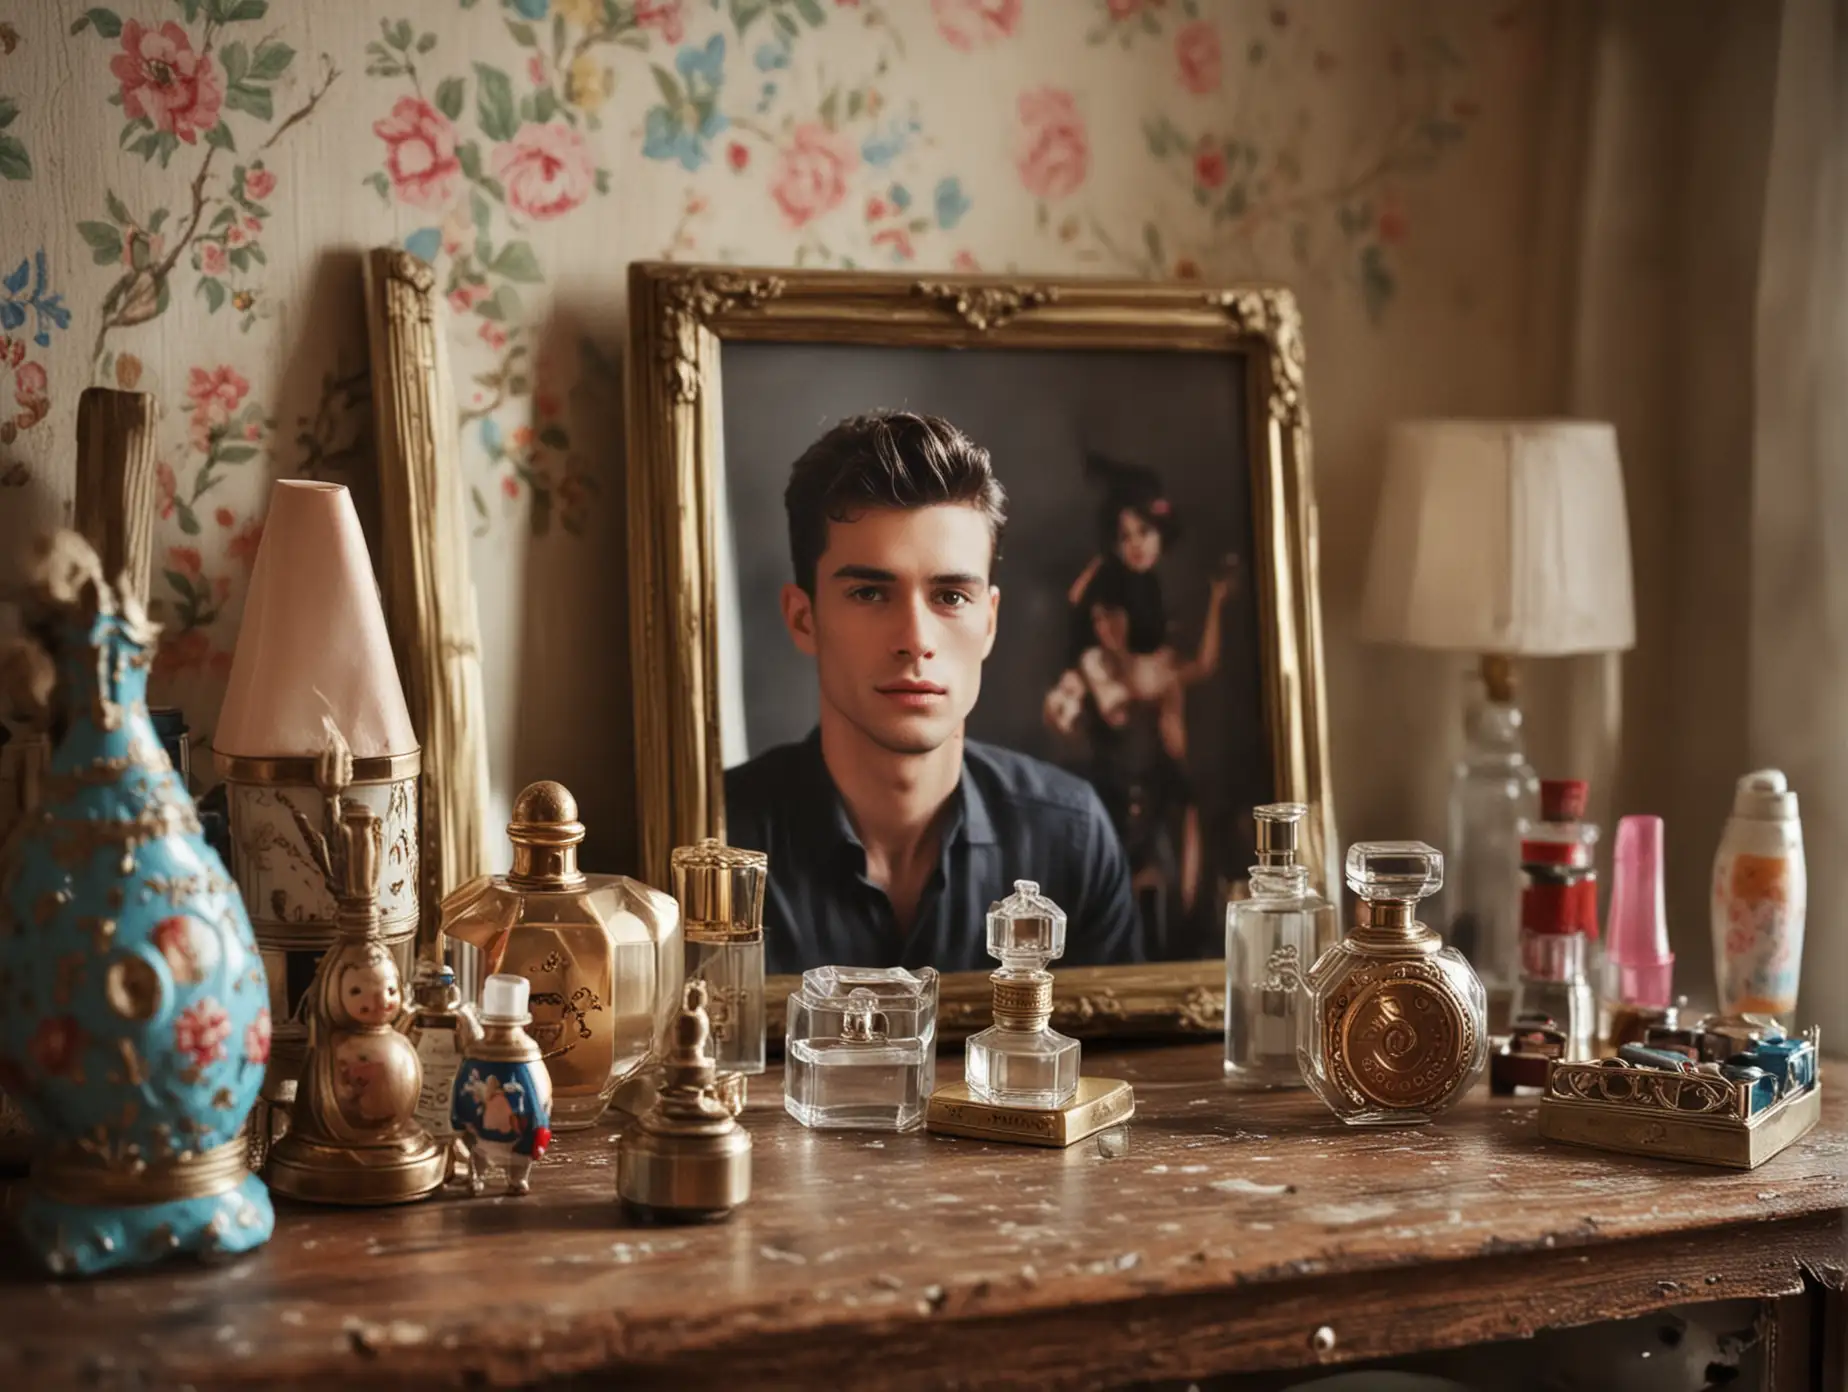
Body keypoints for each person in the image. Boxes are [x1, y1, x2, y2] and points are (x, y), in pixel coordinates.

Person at [725, 410, 1144, 974]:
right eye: (871, 594)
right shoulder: (715, 846)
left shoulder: (1073, 838)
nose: (916, 641)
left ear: (989, 623)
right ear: (804, 620)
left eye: (949, 596)